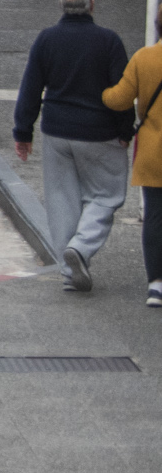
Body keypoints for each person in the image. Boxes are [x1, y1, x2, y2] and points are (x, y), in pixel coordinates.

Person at [16, 0, 135, 292]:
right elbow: (121, 93)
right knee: (106, 194)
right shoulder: (108, 42)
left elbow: (30, 88)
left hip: (56, 131)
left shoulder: (46, 39)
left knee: (61, 200)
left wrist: (23, 131)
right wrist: (125, 131)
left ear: (60, 5)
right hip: (99, 132)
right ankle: (80, 248)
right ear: (92, 4)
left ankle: (71, 273)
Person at [100, 28, 162, 307]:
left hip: (154, 151)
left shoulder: (144, 58)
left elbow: (119, 99)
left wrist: (99, 92)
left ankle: (156, 285)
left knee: (155, 217)